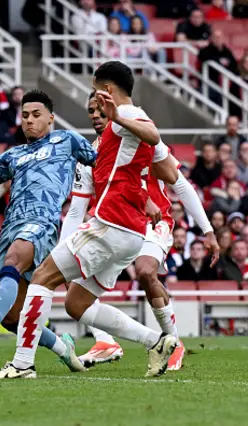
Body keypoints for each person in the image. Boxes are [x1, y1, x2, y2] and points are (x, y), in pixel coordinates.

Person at [0, 62, 182, 380]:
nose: (94, 101)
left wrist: (116, 117)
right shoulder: (117, 129)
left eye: (96, 90)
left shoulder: (127, 115)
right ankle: (155, 341)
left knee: (42, 278)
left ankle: (22, 364)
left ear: (108, 91)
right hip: (128, 229)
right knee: (76, 303)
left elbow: (153, 135)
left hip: (111, 225)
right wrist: (143, 195)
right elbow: (159, 169)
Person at [0, 89, 96, 372]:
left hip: (43, 222)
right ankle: (64, 348)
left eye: (36, 115)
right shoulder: (13, 155)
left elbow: (103, 165)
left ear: (50, 118)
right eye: (24, 116)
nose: (29, 121)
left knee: (13, 262)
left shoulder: (67, 141)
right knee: (13, 318)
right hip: (10, 227)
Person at [70, 91, 219, 371]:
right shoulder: (90, 153)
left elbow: (180, 184)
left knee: (146, 271)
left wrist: (207, 230)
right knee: (73, 278)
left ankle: (173, 343)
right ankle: (106, 342)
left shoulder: (140, 139)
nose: (96, 116)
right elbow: (79, 207)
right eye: (92, 111)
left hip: (154, 222)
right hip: (114, 224)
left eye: (102, 110)